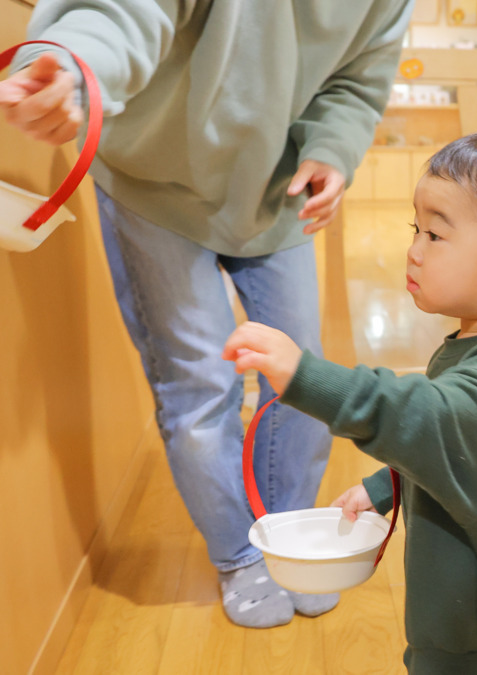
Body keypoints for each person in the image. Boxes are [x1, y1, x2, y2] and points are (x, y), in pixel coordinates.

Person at [0, 1, 414, 628]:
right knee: (198, 383)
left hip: (276, 194)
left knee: (302, 377)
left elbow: (360, 76)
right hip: (152, 184)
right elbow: (121, 11)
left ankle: (288, 540)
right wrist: (74, 68)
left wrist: (334, 148)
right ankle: (241, 557)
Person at [223, 130, 477, 673]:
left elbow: (425, 416)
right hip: (471, 614)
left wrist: (303, 375)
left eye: (436, 236)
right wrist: (386, 485)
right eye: (415, 229)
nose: (414, 250)